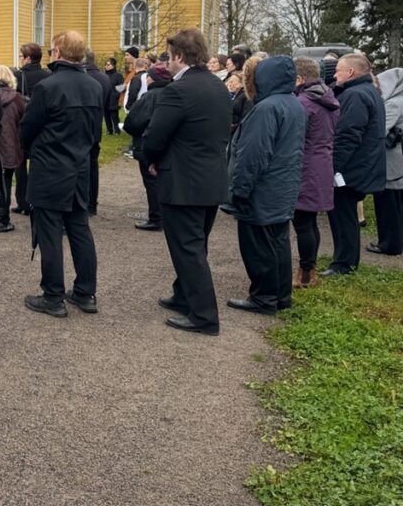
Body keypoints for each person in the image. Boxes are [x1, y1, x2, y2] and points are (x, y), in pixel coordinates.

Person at [142, 28, 231, 335]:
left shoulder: (179, 90)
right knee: (196, 244)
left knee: (188, 248)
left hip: (183, 181)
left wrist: (151, 158)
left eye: (169, 56)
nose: (167, 62)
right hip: (212, 178)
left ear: (179, 56)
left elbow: (155, 133)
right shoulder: (218, 87)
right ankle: (184, 296)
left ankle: (204, 316)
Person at [19, 30, 102, 318]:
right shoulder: (94, 86)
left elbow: (27, 128)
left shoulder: (48, 87)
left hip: (51, 167)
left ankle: (53, 295)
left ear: (57, 52)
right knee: (79, 229)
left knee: (50, 232)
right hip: (79, 167)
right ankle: (85, 292)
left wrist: (32, 148)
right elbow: (95, 131)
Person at [223, 56, 306, 314]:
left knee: (258, 245)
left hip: (263, 189)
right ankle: (281, 295)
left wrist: (240, 190)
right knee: (278, 241)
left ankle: (264, 297)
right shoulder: (294, 104)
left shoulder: (267, 108)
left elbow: (253, 155)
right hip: (283, 186)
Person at [322, 53, 387, 276]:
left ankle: (343, 264)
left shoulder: (356, 95)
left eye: (338, 70)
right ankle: (345, 260)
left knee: (343, 215)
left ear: (351, 72)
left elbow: (347, 135)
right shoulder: (370, 91)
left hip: (352, 168)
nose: (335, 74)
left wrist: (333, 167)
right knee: (345, 214)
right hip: (363, 165)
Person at [291, 57, 340, 286]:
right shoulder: (327, 98)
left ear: (299, 78)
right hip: (322, 163)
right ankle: (309, 269)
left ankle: (306, 273)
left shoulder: (303, 102)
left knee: (302, 222)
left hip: (306, 165)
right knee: (308, 221)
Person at [123, 63, 173, 231]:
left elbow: (134, 121)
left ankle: (156, 217)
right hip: (169, 145)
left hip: (147, 143)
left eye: (150, 76)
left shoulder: (150, 96)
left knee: (151, 182)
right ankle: (167, 216)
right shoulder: (174, 94)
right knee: (165, 181)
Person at [12, 43, 52, 215]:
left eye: (21, 56)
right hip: (42, 124)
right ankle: (36, 201)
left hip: (21, 122)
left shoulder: (18, 76)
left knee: (20, 166)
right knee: (38, 164)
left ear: (27, 58)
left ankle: (23, 202)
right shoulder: (48, 76)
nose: (20, 59)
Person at [368, 67, 403, 256]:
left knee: (387, 204)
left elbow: (380, 130)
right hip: (399, 160)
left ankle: (388, 244)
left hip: (391, 161)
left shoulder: (393, 104)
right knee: (397, 204)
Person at [0, 64, 25, 233]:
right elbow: (23, 121)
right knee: (5, 182)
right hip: (10, 145)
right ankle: (3, 220)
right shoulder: (17, 98)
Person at [84, 49, 111, 216]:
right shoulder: (104, 77)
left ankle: (84, 202)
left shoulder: (84, 78)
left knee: (81, 168)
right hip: (96, 127)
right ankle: (92, 203)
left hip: (82, 129)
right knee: (93, 167)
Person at [227, 71, 253, 138]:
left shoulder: (245, 95)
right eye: (229, 81)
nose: (229, 84)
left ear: (241, 84)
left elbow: (245, 115)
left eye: (232, 82)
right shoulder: (233, 95)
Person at [104, 57, 124, 134]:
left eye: (108, 64)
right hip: (105, 98)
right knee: (106, 116)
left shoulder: (118, 76)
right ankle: (109, 130)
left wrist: (116, 96)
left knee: (114, 116)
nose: (106, 66)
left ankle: (117, 130)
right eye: (105, 64)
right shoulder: (104, 75)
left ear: (113, 65)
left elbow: (121, 88)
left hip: (114, 99)